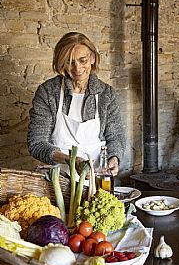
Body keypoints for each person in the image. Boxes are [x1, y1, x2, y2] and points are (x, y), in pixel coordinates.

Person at [28, 32, 125, 176]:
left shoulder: (106, 94)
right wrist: (72, 160)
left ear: (92, 58)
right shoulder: (48, 92)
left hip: (96, 176)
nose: (77, 68)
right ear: (61, 62)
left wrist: (114, 158)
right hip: (58, 178)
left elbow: (115, 137)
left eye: (82, 60)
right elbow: (37, 143)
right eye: (69, 62)